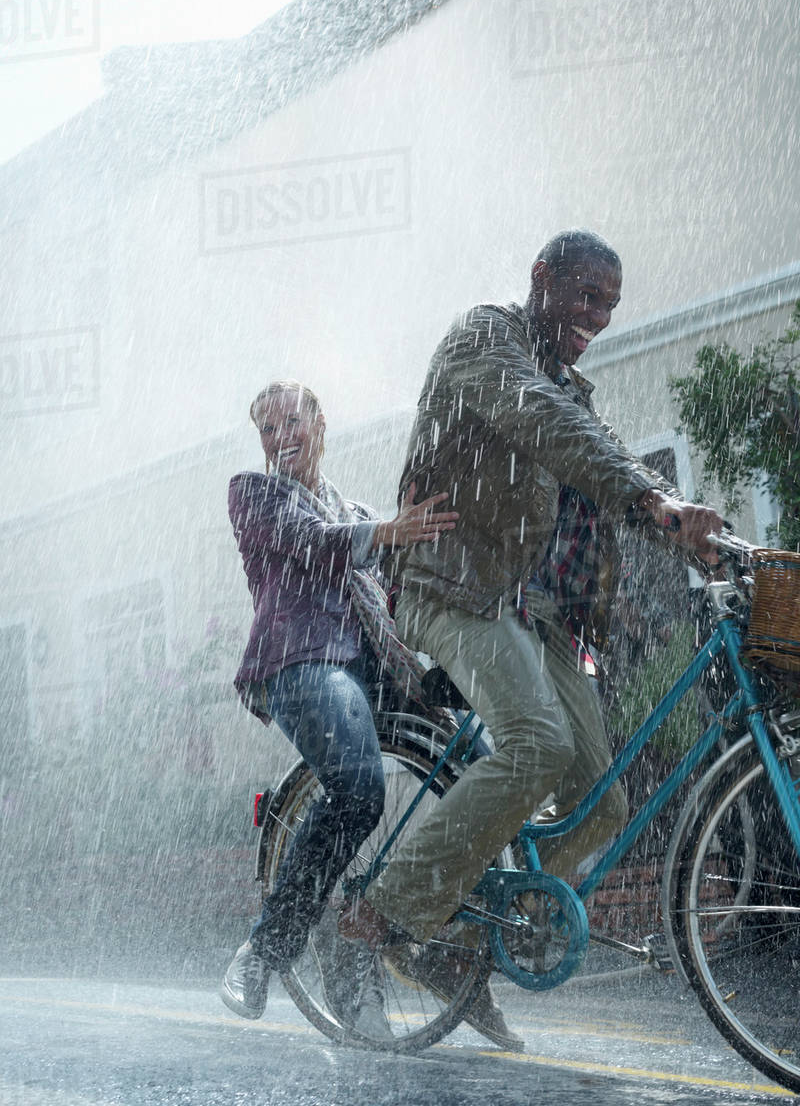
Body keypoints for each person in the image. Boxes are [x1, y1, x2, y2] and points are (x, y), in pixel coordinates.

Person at [340, 230, 723, 949]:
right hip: (447, 586)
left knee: (601, 803)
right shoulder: (484, 339)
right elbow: (547, 426)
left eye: (610, 304)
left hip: (526, 606)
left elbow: (601, 453)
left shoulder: (566, 382)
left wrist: (686, 523)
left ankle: (469, 943)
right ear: (541, 277)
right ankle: (392, 907)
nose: (598, 317)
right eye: (587, 295)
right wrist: (650, 498)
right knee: (538, 744)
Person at [219, 379, 458, 1033]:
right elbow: (316, 541)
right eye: (268, 429)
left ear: (320, 422)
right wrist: (389, 530)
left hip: (375, 671)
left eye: (291, 420)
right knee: (358, 792)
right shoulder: (255, 493)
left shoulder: (348, 507)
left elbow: (397, 580)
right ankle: (263, 954)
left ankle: (457, 952)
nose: (280, 437)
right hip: (301, 664)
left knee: (478, 766)